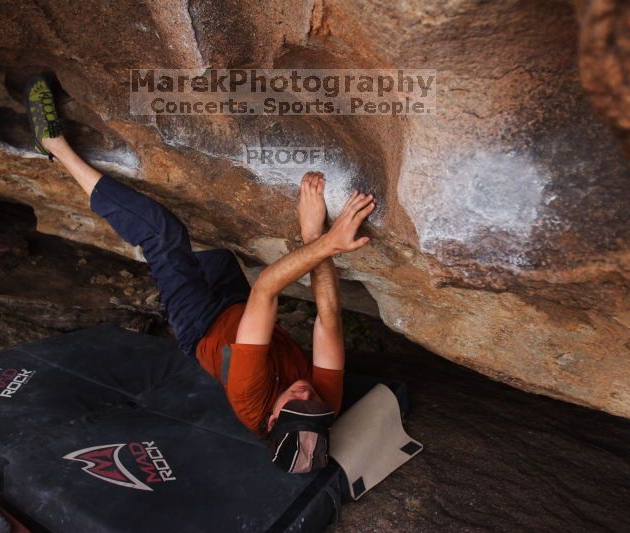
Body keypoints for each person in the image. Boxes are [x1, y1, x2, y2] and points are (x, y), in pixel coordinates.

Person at [25, 75, 376, 473]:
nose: (307, 393)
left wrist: (325, 242)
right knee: (219, 255)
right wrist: (315, 234)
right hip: (237, 309)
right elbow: (329, 319)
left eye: (298, 405)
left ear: (273, 420)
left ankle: (54, 145)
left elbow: (266, 291)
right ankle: (174, 259)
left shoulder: (250, 398)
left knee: (163, 233)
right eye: (315, 407)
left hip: (200, 326)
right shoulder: (319, 404)